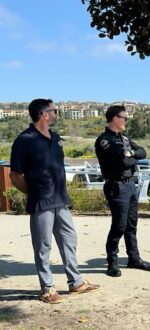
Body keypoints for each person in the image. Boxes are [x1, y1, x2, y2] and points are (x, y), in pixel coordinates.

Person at [9, 99, 100, 304]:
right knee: (43, 246)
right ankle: (47, 288)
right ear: (44, 114)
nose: (57, 114)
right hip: (42, 203)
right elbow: (15, 175)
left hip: (61, 200)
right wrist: (34, 193)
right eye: (54, 111)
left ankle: (75, 282)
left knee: (69, 240)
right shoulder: (24, 140)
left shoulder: (56, 138)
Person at [95, 105, 150, 277]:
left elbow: (143, 152)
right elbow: (123, 163)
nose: (126, 120)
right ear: (115, 118)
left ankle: (134, 259)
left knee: (131, 225)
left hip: (130, 185)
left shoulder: (125, 139)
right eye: (124, 118)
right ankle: (112, 262)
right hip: (116, 186)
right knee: (119, 226)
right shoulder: (105, 141)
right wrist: (130, 159)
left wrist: (131, 154)